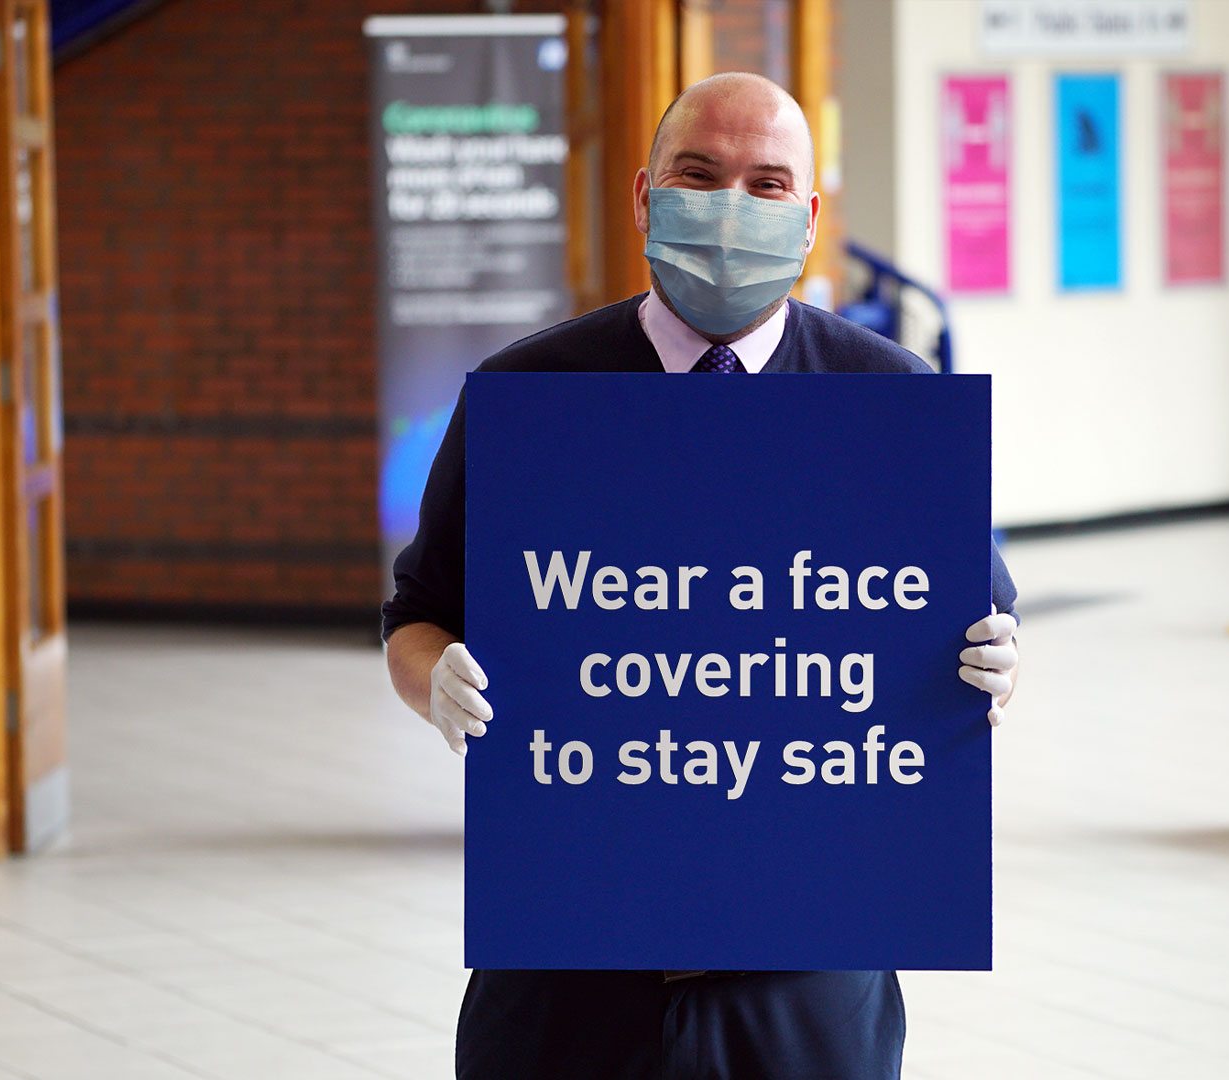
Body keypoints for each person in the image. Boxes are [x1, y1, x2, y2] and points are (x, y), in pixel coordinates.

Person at [383, 71, 1019, 1080]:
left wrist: (989, 670)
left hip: (807, 972)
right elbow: (415, 616)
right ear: (646, 197)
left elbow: (973, 629)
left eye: (767, 184)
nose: (731, 207)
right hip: (567, 964)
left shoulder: (892, 401)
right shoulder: (526, 397)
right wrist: (438, 682)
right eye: (699, 174)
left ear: (809, 218)